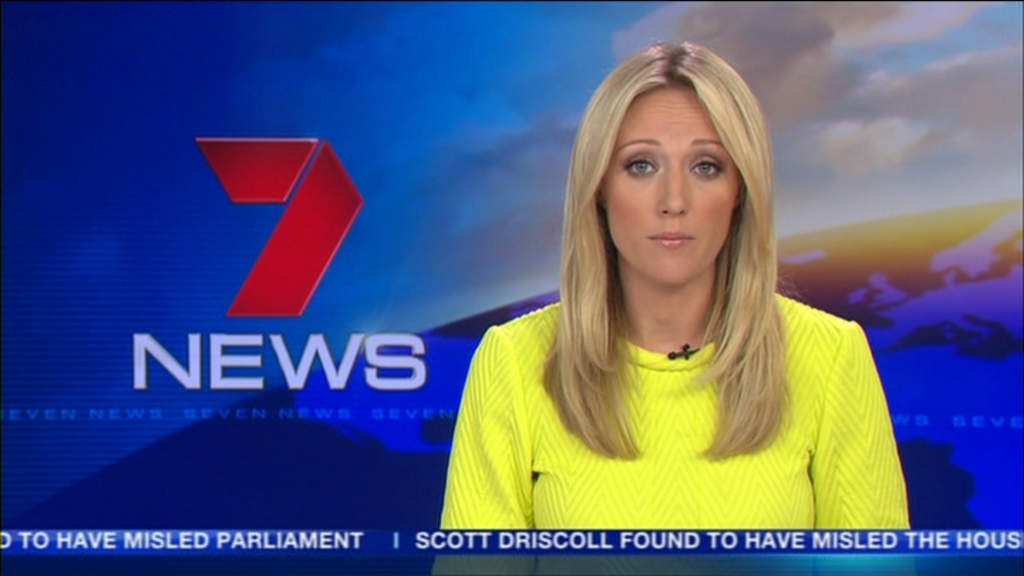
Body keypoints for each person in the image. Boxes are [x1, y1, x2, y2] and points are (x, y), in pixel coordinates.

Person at [440, 41, 909, 531]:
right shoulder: (515, 362)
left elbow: (874, 561)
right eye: (641, 165)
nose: (674, 200)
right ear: (599, 188)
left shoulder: (830, 358)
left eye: (706, 166)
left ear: (740, 190)